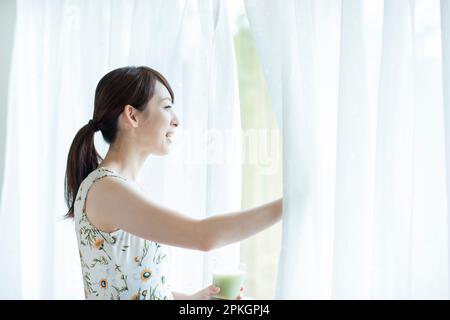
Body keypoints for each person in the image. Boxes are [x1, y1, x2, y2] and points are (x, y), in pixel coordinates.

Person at [64, 66, 283, 300]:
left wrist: (193, 300)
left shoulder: (117, 187)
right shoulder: (107, 189)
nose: (176, 121)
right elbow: (203, 236)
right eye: (167, 107)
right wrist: (285, 205)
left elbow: (134, 288)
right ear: (132, 115)